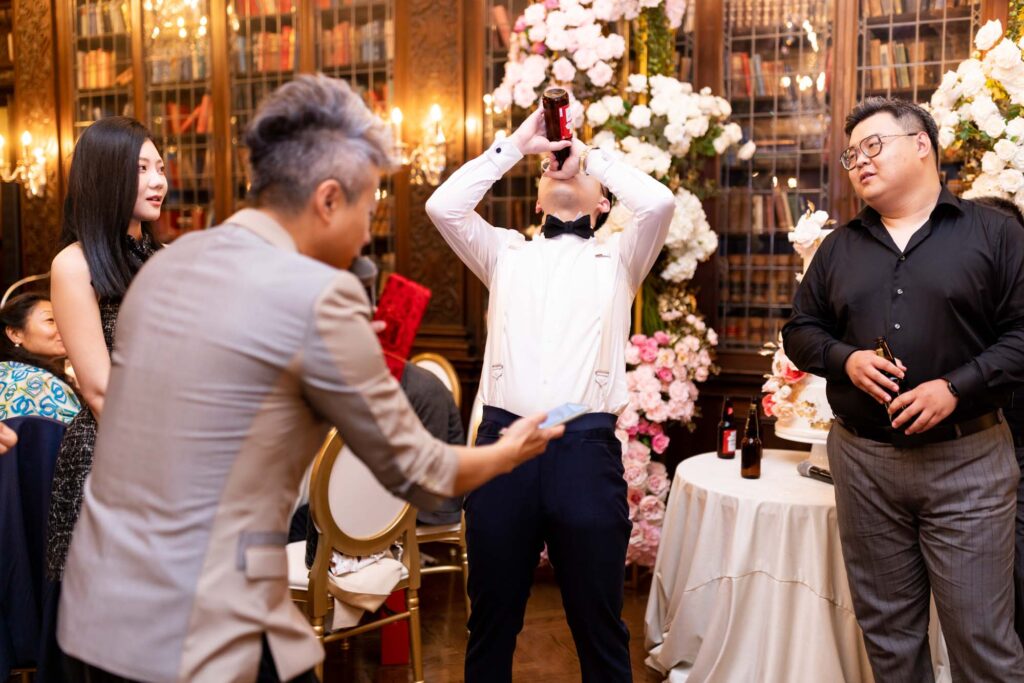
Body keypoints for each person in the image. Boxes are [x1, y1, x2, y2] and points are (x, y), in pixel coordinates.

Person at [56, 74, 562, 683]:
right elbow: (416, 467)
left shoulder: (178, 260)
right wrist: (507, 453)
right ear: (327, 200)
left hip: (116, 596)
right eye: (367, 208)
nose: (367, 232)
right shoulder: (316, 295)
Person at [426, 107, 674, 681]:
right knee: (490, 626)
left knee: (599, 629)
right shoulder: (504, 253)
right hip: (501, 449)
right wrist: (517, 146)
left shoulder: (620, 258)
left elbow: (659, 203)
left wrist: (589, 155)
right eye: (549, 171)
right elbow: (443, 206)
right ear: (536, 201)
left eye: (578, 170)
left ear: (604, 202)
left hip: (585, 453)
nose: (561, 169)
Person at [782, 97, 1024, 681]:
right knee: (889, 637)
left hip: (968, 462)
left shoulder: (994, 233)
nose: (860, 162)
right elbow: (801, 331)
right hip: (862, 461)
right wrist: (845, 360)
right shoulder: (839, 247)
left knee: (982, 643)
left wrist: (955, 388)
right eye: (851, 155)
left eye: (873, 145)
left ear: (921, 145)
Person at [46, 115, 167, 585]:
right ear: (107, 174)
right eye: (142, 169)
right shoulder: (75, 265)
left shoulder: (164, 258)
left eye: (160, 168)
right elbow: (98, 389)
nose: (158, 181)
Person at [0, 293, 81, 423]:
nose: (64, 327)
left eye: (62, 320)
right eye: (50, 320)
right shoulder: (41, 382)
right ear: (15, 334)